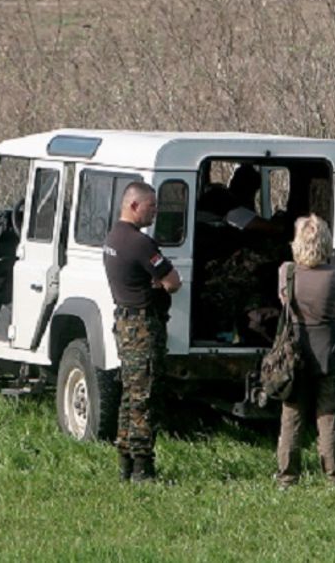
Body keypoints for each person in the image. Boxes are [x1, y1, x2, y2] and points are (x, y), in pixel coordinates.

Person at [103, 182, 182, 482]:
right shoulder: (139, 243)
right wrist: (158, 284)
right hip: (142, 327)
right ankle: (142, 468)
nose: (156, 212)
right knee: (144, 398)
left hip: (125, 323)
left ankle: (125, 460)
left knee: (129, 394)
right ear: (134, 206)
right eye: (152, 207)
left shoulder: (113, 238)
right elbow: (173, 282)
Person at [275, 214, 335, 488]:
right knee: (328, 417)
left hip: (295, 354)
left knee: (291, 416)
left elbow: (284, 302)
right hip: (328, 351)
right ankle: (334, 477)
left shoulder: (287, 271)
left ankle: (287, 477)